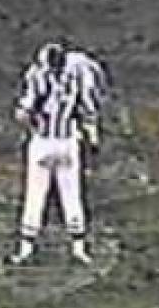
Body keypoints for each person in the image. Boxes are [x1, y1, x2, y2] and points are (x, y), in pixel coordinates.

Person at [7, 43, 98, 266]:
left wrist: (31, 127)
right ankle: (79, 248)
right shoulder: (76, 76)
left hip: (43, 141)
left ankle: (26, 248)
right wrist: (92, 137)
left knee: (35, 194)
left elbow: (23, 112)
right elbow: (87, 110)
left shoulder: (37, 76)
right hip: (68, 141)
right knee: (72, 193)